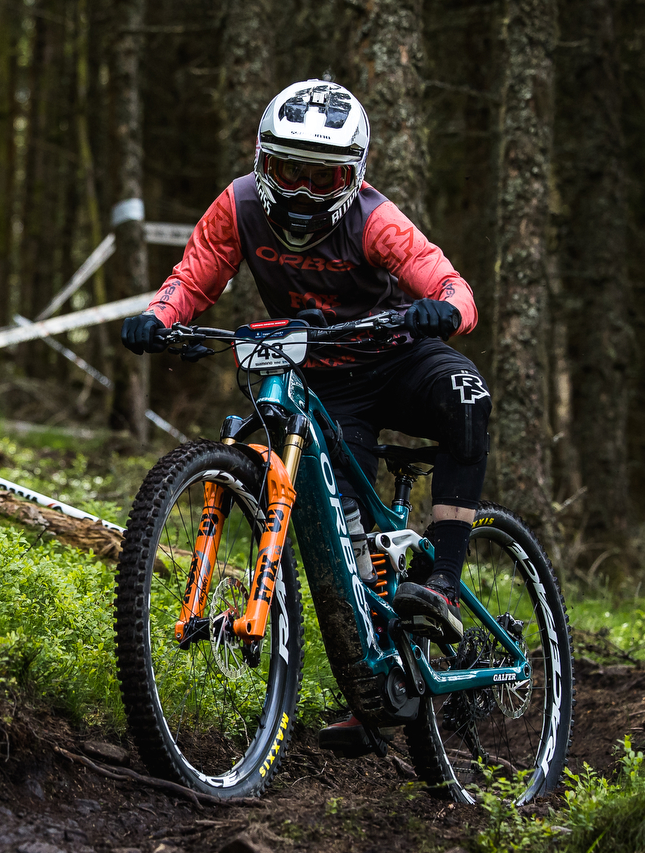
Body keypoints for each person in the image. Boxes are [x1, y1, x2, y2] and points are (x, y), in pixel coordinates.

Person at [120, 79, 491, 656]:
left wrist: (441, 312)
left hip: (397, 360)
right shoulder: (239, 205)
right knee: (350, 561)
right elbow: (193, 278)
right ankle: (377, 691)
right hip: (325, 384)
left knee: (465, 395)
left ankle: (443, 582)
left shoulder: (376, 220)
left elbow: (455, 289)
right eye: (287, 169)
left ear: (354, 176)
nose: (303, 190)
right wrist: (160, 317)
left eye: (324, 178)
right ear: (262, 158)